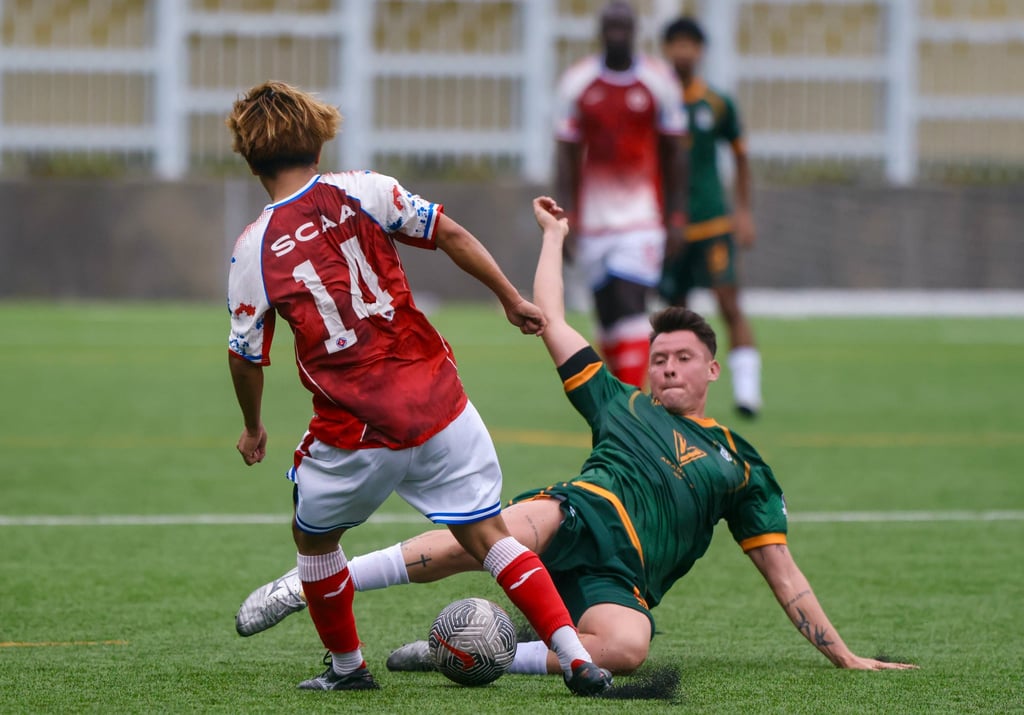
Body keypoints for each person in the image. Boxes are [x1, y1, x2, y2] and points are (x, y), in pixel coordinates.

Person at [236, 196, 918, 677]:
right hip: (574, 517)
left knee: (626, 648)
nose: (668, 366)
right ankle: (312, 584)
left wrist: (843, 654)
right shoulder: (618, 401)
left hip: (620, 580)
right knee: (508, 523)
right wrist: (554, 237)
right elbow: (552, 318)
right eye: (659, 357)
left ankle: (468, 652)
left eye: (683, 357)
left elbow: (783, 573)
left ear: (713, 368)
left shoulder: (742, 464)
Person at [224, 81, 611, 695]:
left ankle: (349, 671)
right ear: (319, 144)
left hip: (357, 427)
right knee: (488, 534)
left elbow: (247, 356)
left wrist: (253, 426)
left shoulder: (255, 247)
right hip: (439, 403)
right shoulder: (366, 189)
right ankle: (578, 660)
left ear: (248, 160)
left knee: (314, 537)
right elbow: (451, 234)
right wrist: (511, 299)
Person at [554, 0, 688, 388]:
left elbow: (675, 153)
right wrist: (567, 219)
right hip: (593, 224)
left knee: (631, 307)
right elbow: (565, 157)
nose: (617, 35)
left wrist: (676, 216)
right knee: (608, 318)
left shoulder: (658, 80)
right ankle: (621, 406)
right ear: (601, 32)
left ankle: (633, 412)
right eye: (610, 27)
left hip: (640, 219)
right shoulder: (577, 83)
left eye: (623, 28)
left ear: (635, 31)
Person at [660, 17, 763, 416]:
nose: (683, 52)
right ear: (666, 50)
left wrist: (743, 212)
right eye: (676, 44)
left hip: (713, 224)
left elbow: (740, 155)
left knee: (729, 303)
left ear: (700, 52)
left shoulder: (716, 103)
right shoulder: (658, 101)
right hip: (673, 229)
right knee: (676, 313)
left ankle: (747, 393)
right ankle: (676, 395)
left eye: (690, 44)